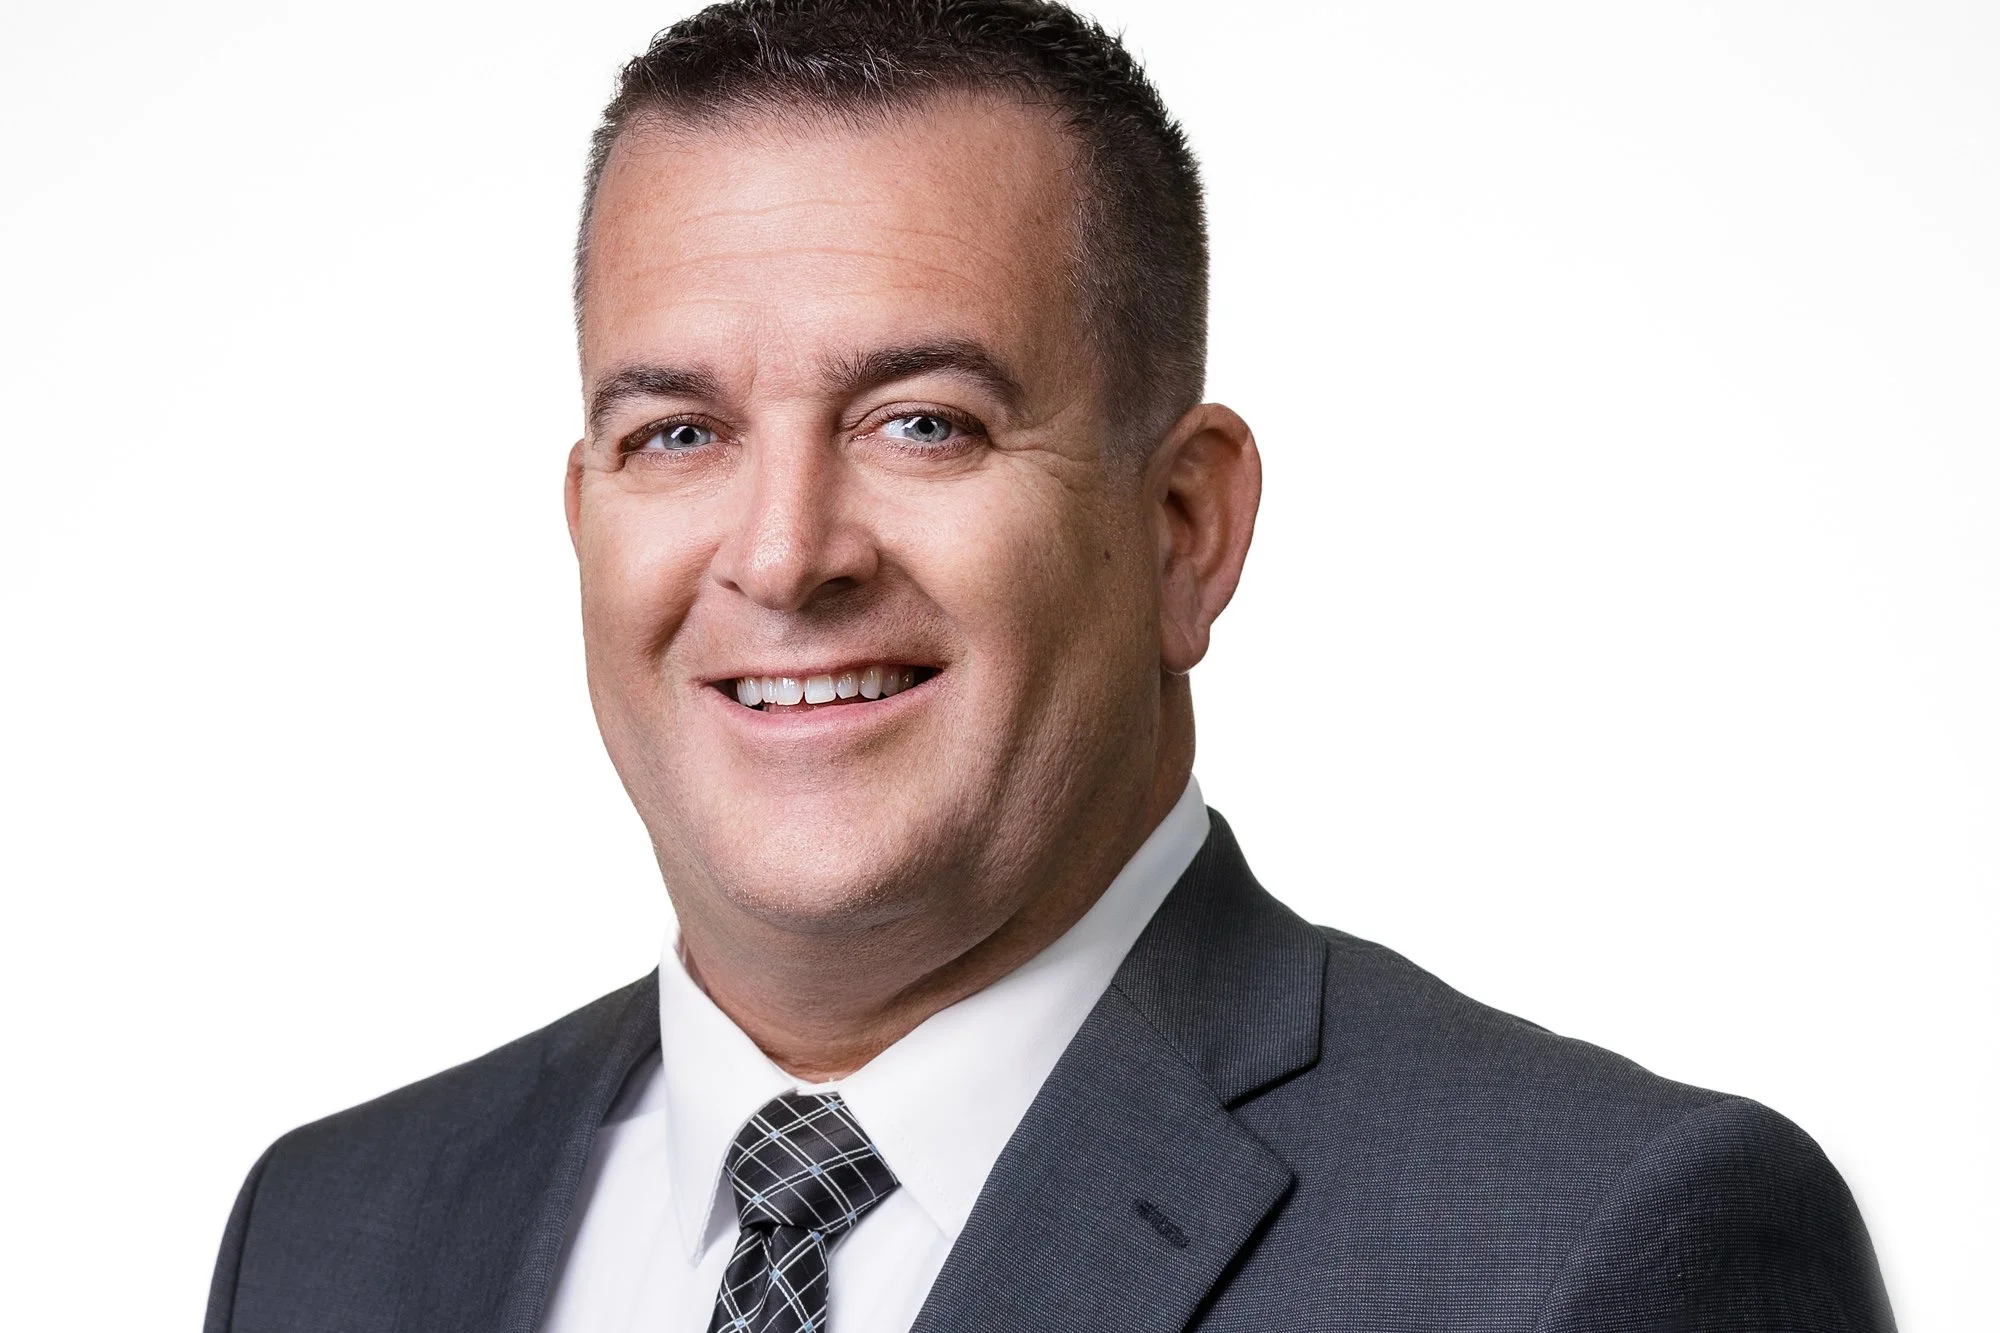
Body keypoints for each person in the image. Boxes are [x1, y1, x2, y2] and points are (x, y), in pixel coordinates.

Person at [203, 2, 1896, 1329]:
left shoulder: (1602, 1251)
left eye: (923, 422)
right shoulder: (328, 1238)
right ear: (585, 517)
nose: (785, 555)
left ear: (1184, 530)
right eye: (680, 433)